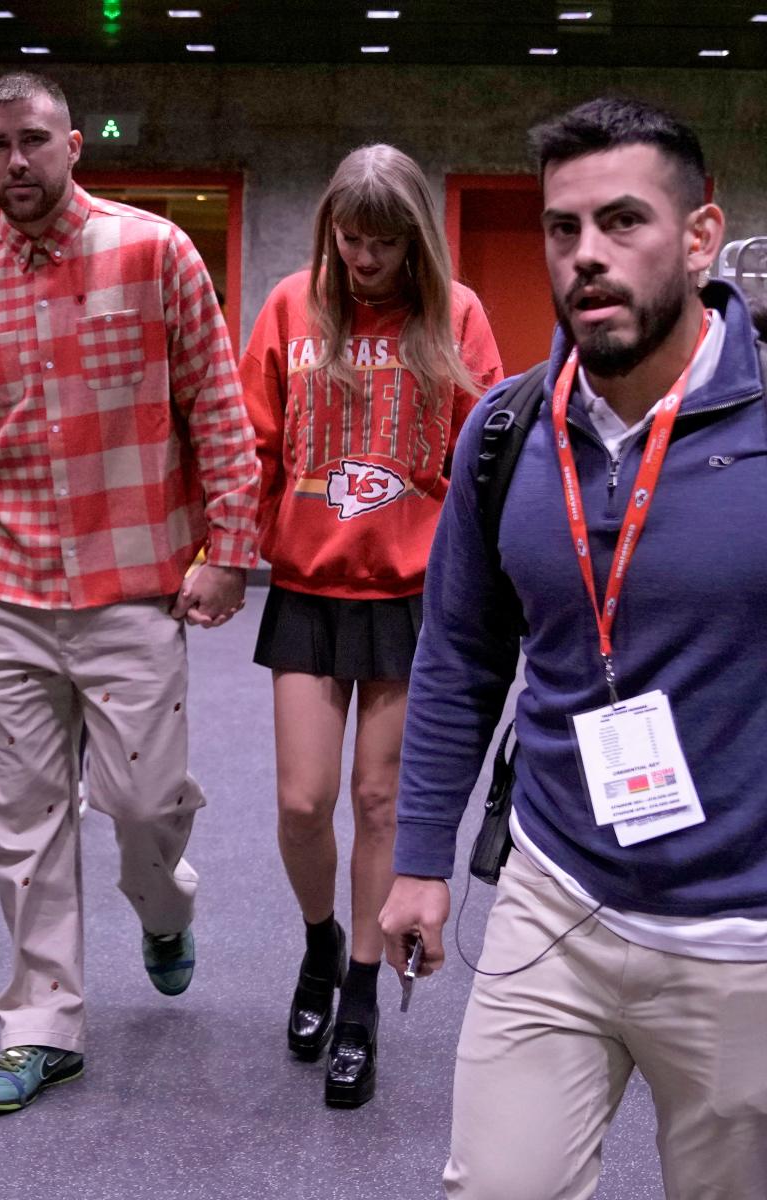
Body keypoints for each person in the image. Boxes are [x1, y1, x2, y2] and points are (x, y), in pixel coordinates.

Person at [380, 96, 767, 1199]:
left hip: (744, 934)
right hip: (556, 898)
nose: (587, 256)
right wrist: (417, 861)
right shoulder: (505, 431)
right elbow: (458, 655)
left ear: (699, 237)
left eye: (624, 222)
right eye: (564, 228)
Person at [0, 72, 259, 1114]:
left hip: (130, 589)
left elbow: (219, 409)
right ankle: (40, 1024)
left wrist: (228, 546)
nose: (17, 161)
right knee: (20, 823)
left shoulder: (155, 251)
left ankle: (164, 906)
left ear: (73, 146)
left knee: (146, 805)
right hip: (1, 593)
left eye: (34, 140)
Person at [240, 144, 502, 1108]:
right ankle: (320, 946)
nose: (364, 260)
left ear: (414, 242)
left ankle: (357, 1001)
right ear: (329, 231)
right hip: (308, 588)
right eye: (350, 240)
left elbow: (485, 462)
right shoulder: (288, 309)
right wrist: (221, 551)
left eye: (383, 245)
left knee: (379, 800)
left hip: (408, 595)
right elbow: (252, 447)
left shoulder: (457, 314)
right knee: (305, 801)